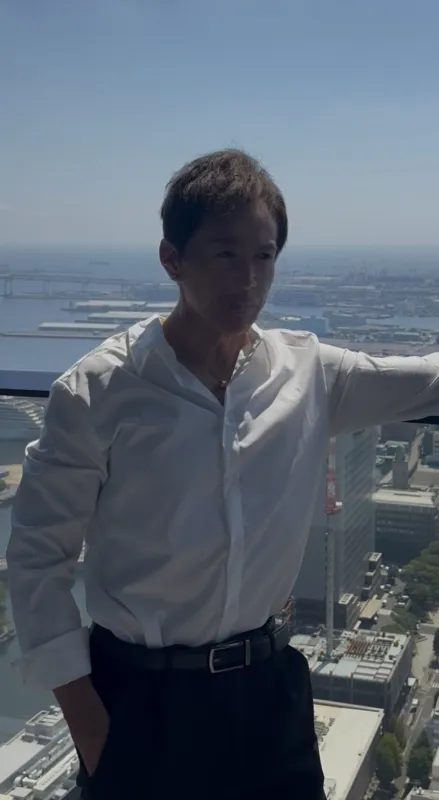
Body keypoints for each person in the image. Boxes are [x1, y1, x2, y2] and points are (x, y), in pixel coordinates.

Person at [6, 149, 439, 800]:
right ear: (171, 259)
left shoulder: (307, 373)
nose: (248, 278)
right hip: (141, 700)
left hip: (269, 692)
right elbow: (37, 559)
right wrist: (94, 731)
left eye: (263, 255)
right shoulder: (99, 390)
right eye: (224, 254)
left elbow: (425, 381)